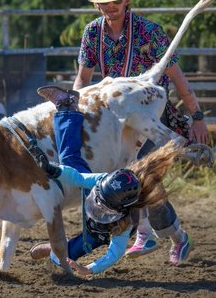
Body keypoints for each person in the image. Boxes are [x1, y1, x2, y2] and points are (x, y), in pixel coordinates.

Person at [73, 0, 208, 263]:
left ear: (127, 2)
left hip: (154, 119)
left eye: (116, 1)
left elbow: (177, 79)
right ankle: (166, 237)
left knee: (140, 175)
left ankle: (156, 235)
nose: (110, 8)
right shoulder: (92, 32)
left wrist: (196, 117)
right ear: (96, 5)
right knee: (125, 177)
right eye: (105, 3)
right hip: (117, 119)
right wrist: (74, 110)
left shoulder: (151, 32)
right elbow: (82, 80)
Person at [28, 87, 184, 278]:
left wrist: (90, 269)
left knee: (70, 252)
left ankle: (55, 250)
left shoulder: (124, 222)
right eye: (101, 204)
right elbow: (75, 177)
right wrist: (50, 168)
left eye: (105, 208)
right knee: (69, 160)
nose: (100, 209)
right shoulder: (100, 182)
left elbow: (114, 254)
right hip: (95, 195)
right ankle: (67, 107)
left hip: (100, 231)